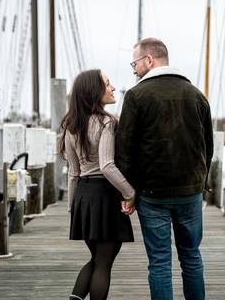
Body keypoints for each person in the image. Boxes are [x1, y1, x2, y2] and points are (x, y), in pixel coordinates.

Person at [115, 38, 213, 300]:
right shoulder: (196, 95)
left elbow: (124, 150)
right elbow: (208, 147)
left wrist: (128, 193)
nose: (133, 70)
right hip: (190, 192)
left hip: (152, 194)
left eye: (134, 63)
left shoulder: (136, 96)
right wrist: (202, 184)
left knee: (159, 262)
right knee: (191, 256)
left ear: (149, 60)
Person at [59, 69, 136, 300]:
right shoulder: (107, 122)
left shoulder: (70, 126)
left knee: (97, 260)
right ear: (94, 91)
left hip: (83, 195)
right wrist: (131, 193)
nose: (112, 88)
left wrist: (73, 208)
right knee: (103, 264)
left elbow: (73, 173)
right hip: (104, 195)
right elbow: (107, 165)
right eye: (107, 84)